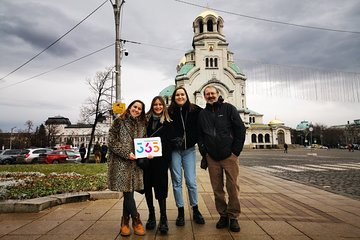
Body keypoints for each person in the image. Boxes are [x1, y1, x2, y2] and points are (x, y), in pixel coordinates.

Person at [197, 85, 246, 232]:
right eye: (207, 94)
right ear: (204, 96)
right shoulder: (202, 114)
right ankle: (223, 215)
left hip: (229, 156)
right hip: (212, 157)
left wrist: (235, 152)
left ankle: (233, 217)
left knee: (232, 188)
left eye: (212, 93)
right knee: (217, 189)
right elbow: (200, 135)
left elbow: (240, 129)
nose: (210, 96)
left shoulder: (228, 108)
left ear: (218, 94)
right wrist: (204, 151)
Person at [107, 100, 149, 236]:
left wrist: (148, 153)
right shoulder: (119, 122)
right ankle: (136, 220)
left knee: (128, 192)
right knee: (128, 192)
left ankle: (124, 222)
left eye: (139, 109)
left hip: (135, 165)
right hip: (121, 163)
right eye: (135, 107)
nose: (136, 110)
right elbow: (111, 141)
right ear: (130, 107)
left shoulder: (142, 125)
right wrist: (126, 153)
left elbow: (144, 141)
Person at [168, 86, 205, 226]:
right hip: (174, 151)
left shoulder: (195, 110)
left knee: (191, 181)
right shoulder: (169, 111)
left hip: (189, 149)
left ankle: (195, 210)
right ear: (174, 97)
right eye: (177, 95)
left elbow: (206, 119)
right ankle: (180, 212)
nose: (180, 97)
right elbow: (162, 127)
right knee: (176, 181)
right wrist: (172, 141)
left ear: (186, 96)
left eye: (182, 94)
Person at [143, 96, 172, 234]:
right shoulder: (145, 121)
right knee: (148, 188)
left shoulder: (168, 122)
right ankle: (151, 215)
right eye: (155, 104)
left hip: (160, 161)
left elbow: (169, 143)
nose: (158, 107)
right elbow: (140, 139)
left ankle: (164, 218)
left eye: (160, 104)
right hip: (146, 161)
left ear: (163, 106)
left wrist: (160, 154)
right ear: (152, 105)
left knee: (161, 189)